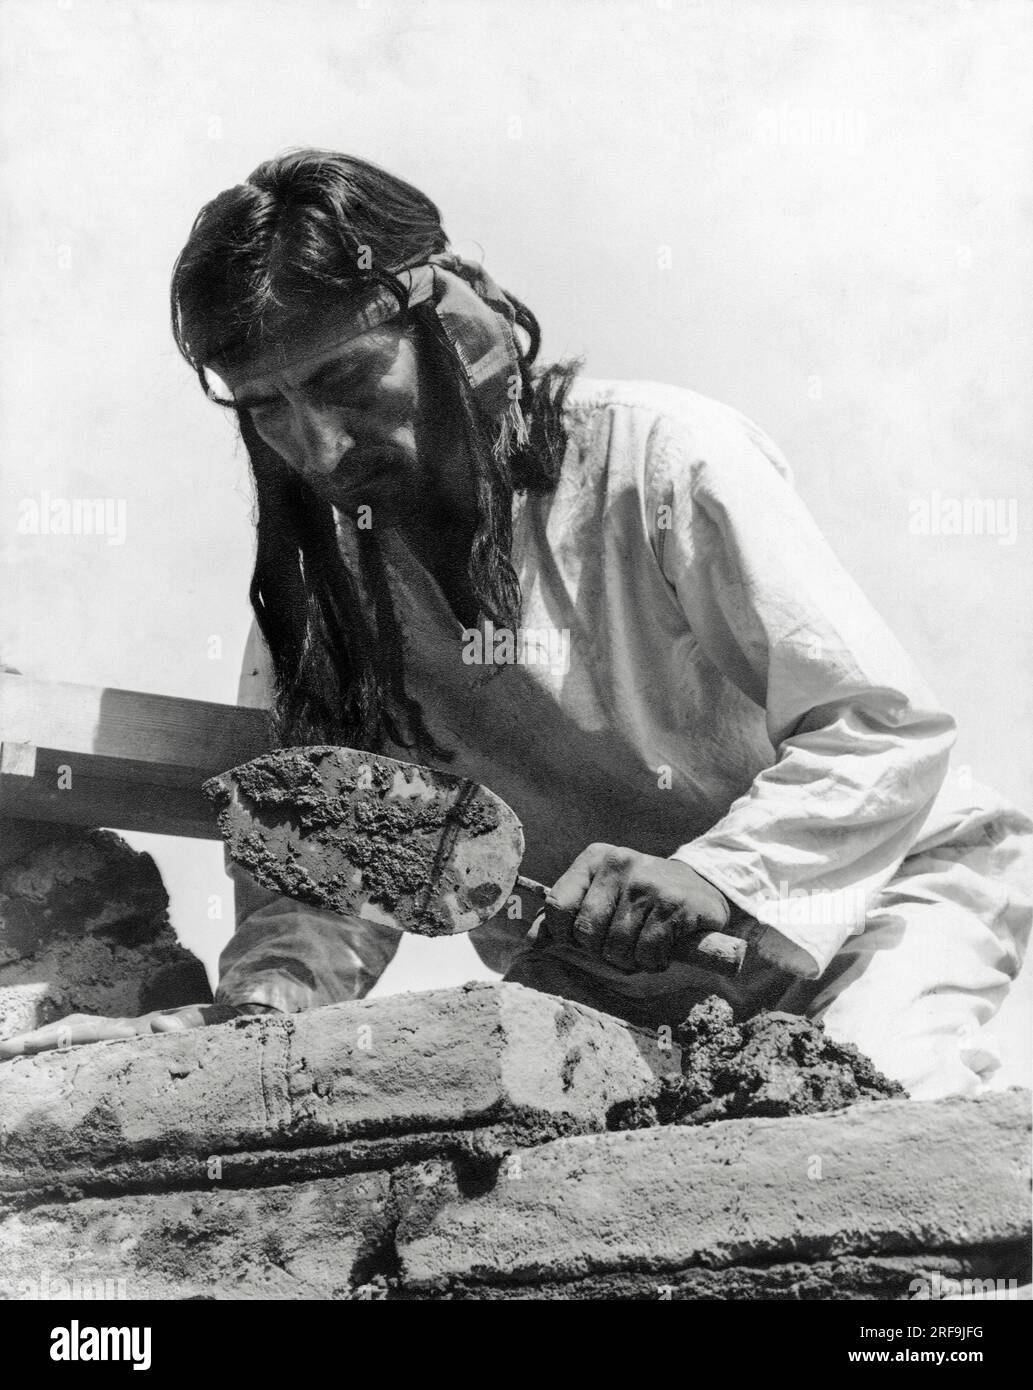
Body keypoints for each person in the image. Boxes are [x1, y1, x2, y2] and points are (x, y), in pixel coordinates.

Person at [3, 150, 1029, 1100]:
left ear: (455, 322)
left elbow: (882, 726)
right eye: (264, 408)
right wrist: (254, 1022)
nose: (314, 446)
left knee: (870, 1117)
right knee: (549, 1169)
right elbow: (334, 867)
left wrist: (716, 875)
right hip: (617, 977)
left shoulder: (662, 463)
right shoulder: (324, 594)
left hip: (875, 897)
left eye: (345, 381)